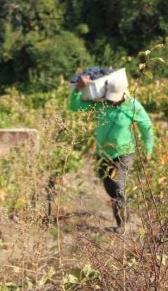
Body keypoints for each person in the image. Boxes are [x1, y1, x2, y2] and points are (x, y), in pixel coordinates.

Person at [69, 72, 154, 234]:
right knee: (110, 186)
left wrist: (148, 149)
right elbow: (74, 107)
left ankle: (123, 224)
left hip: (124, 153)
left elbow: (146, 126)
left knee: (117, 186)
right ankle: (123, 217)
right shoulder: (102, 104)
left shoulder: (132, 105)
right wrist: (77, 91)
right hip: (102, 154)